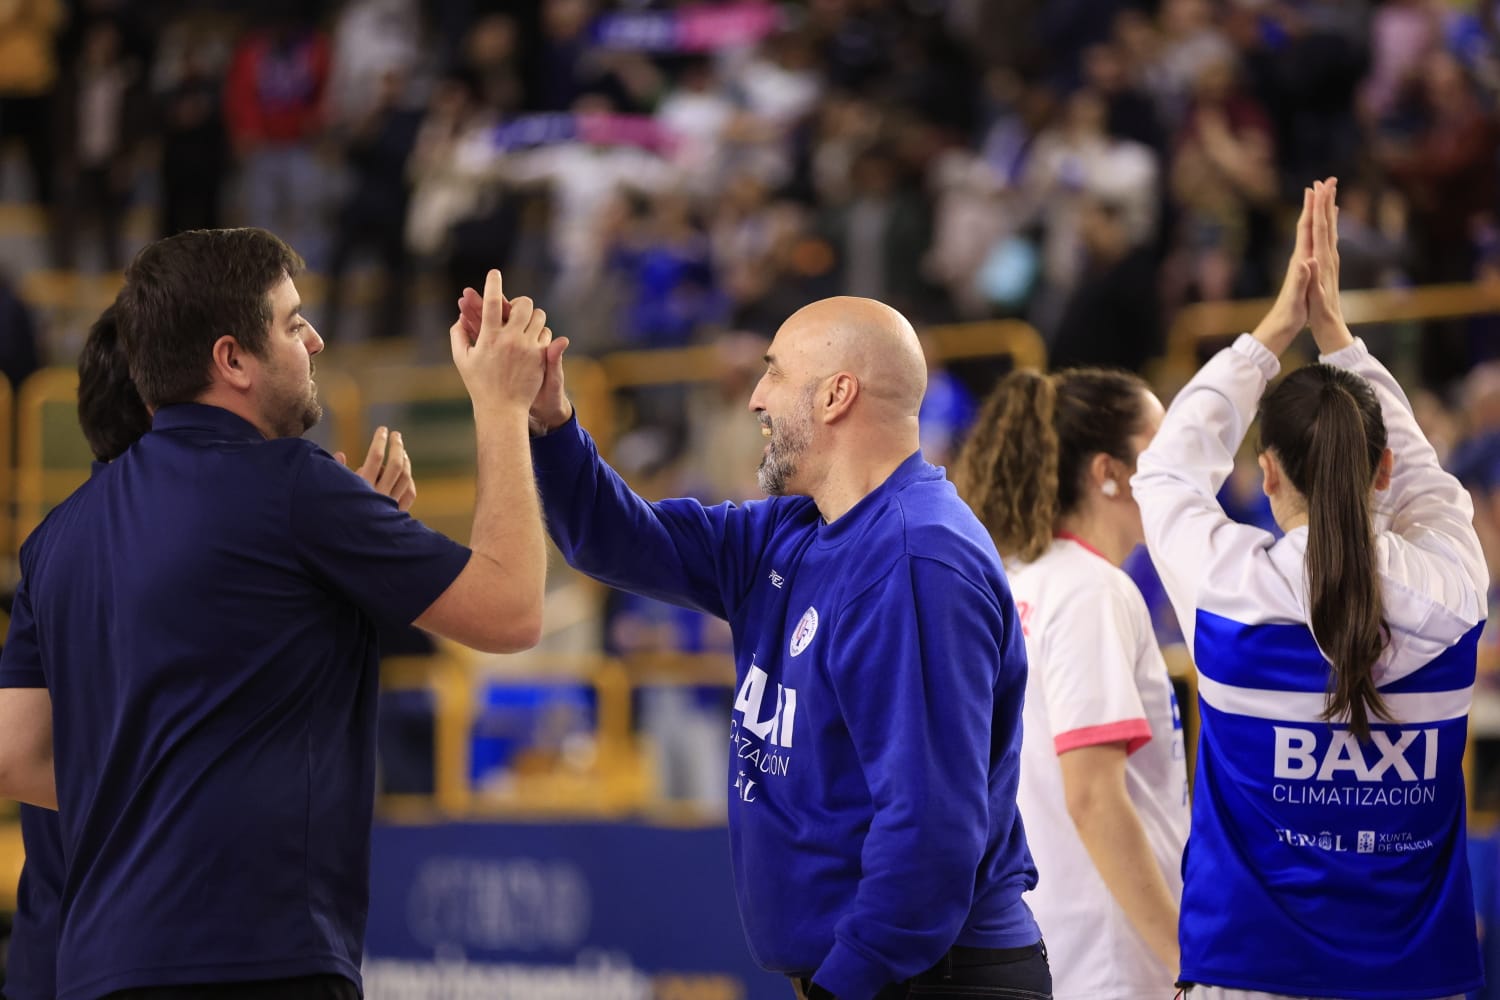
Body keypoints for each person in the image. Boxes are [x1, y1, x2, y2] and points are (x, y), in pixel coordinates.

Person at [0, 230, 550, 999]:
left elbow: (17, 754)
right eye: (294, 324)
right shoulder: (296, 486)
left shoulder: (54, 538)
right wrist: (500, 405)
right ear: (233, 360)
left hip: (95, 969)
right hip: (259, 960)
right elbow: (514, 608)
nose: (317, 339)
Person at [464, 289, 1048, 999]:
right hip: (880, 974)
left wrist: (844, 984)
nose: (755, 400)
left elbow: (928, 834)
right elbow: (616, 538)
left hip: (930, 976)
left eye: (773, 373)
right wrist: (548, 421)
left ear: (837, 395)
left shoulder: (914, 561)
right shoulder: (790, 530)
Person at [1, 304, 425, 1000]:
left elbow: (16, 754)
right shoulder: (224, 541)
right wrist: (355, 554)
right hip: (202, 955)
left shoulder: (60, 543)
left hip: (60, 956)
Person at [1133, 178, 1486, 998]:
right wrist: (1340, 338)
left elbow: (1169, 470)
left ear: (1266, 474)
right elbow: (1433, 486)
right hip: (1414, 982)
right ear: (1384, 469)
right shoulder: (1455, 592)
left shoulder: (1227, 591)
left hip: (1248, 974)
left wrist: (1276, 330)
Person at [950, 364, 1184, 998]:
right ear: (1108, 473)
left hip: (1043, 939)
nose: (1180, 471)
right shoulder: (1091, 590)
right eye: (1161, 452)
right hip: (1109, 957)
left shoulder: (1012, 579)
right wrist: (1187, 966)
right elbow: (1094, 797)